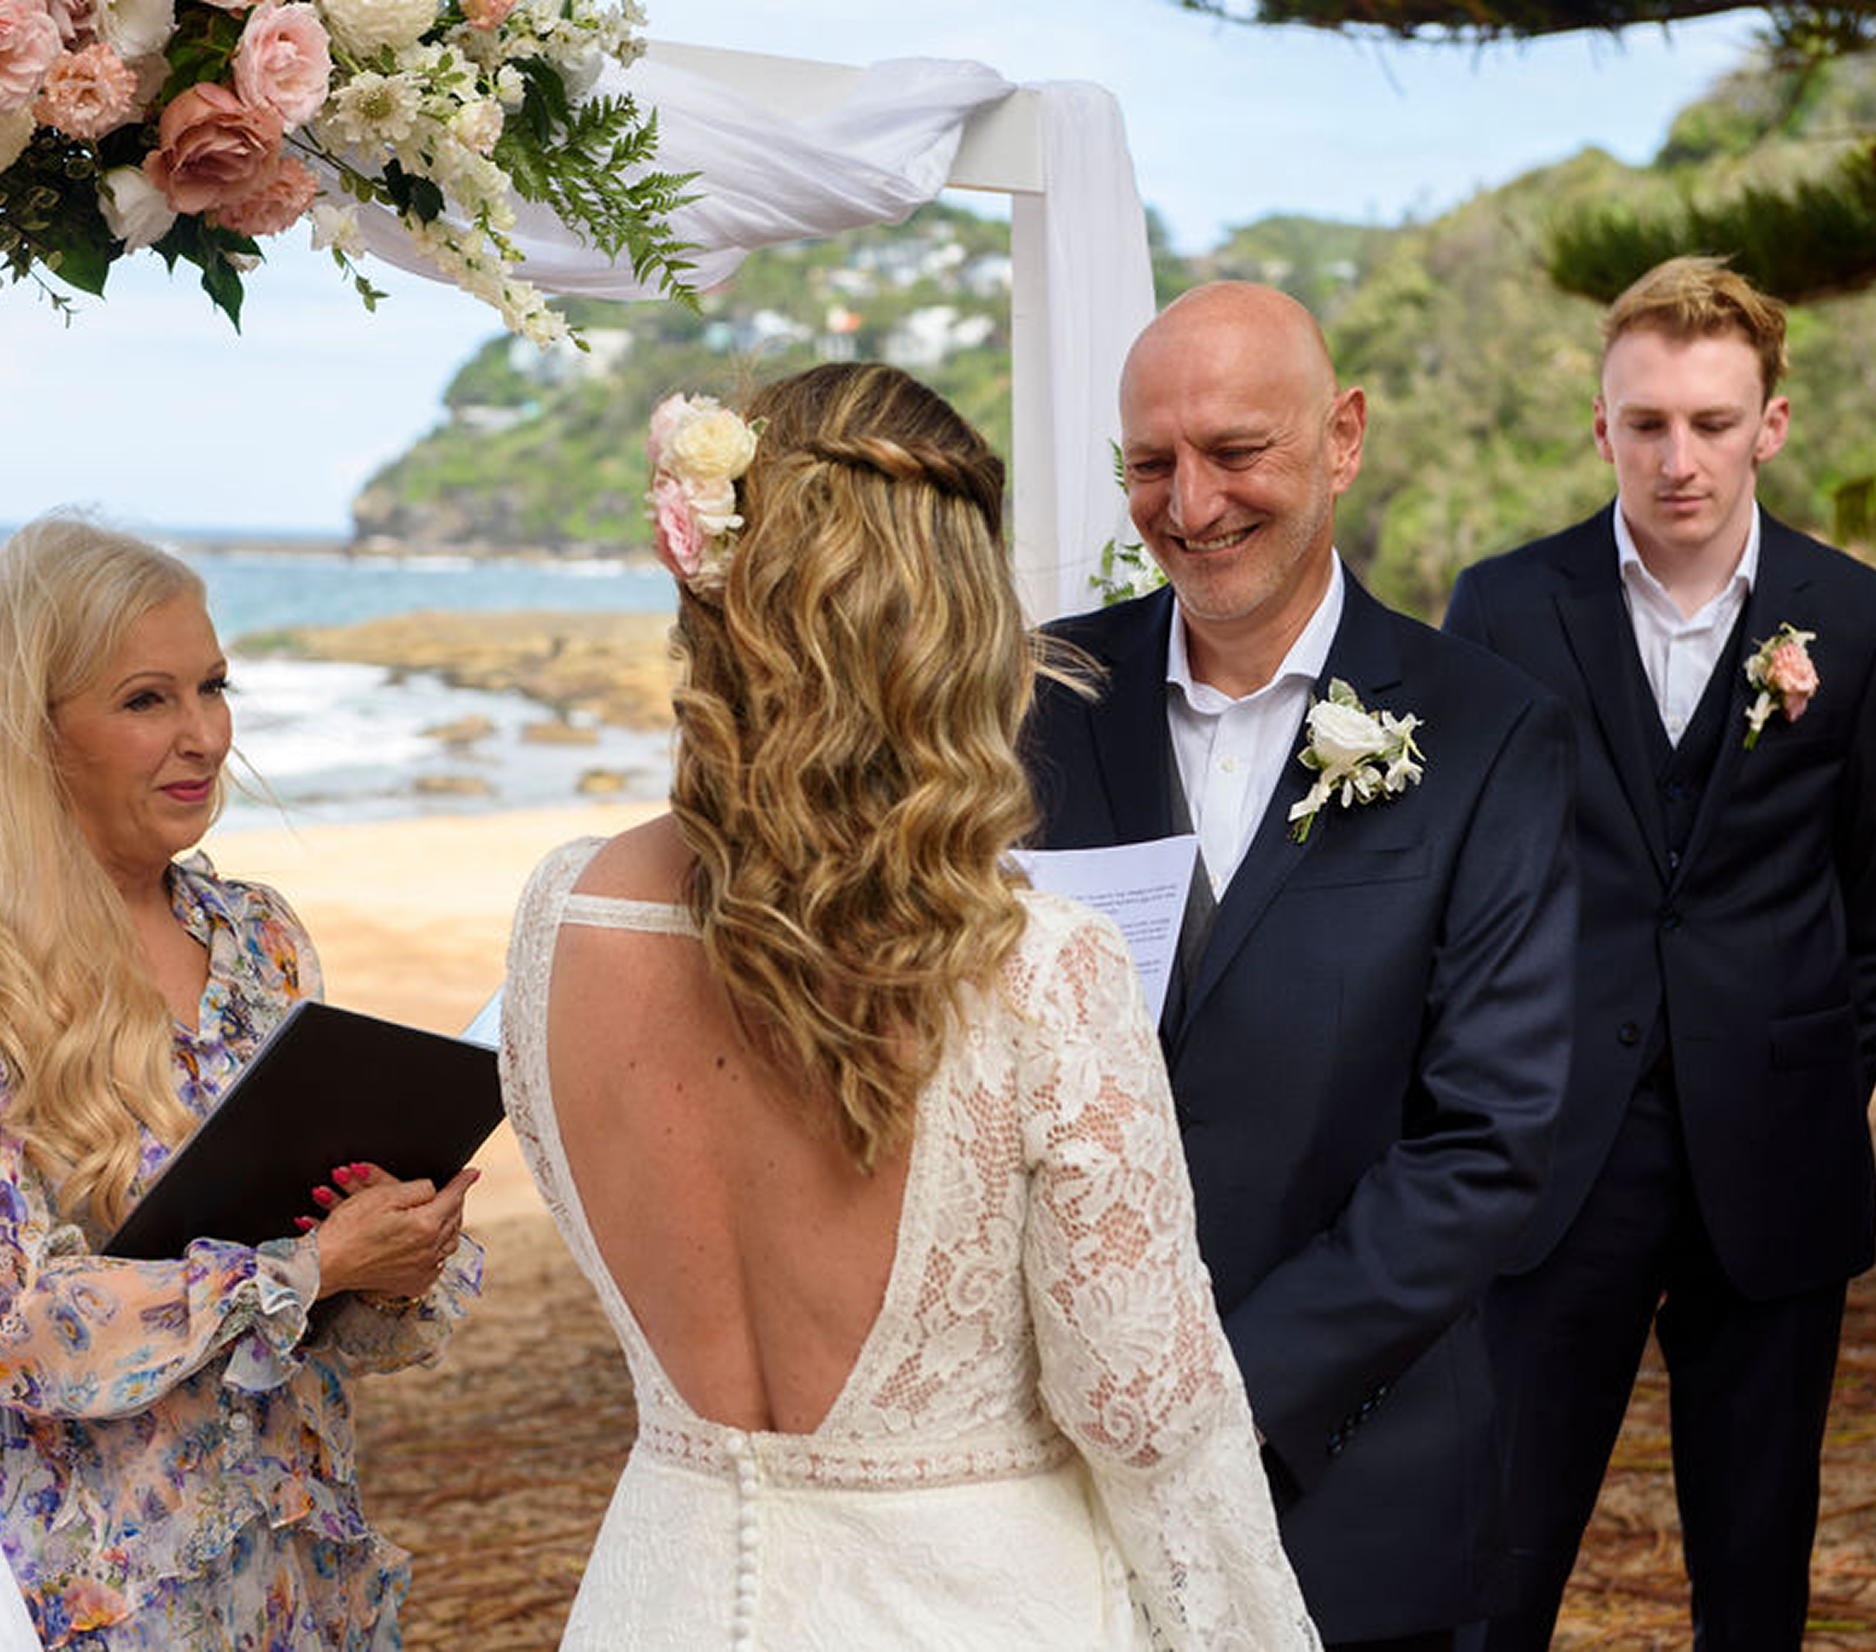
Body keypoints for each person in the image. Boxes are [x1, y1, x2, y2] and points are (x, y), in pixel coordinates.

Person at [498, 361, 1321, 1649]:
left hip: (662, 1594)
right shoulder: (1039, 965)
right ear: (955, 618)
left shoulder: (564, 917)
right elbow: (1145, 1416)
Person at [1022, 282, 1577, 1651]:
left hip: (1347, 1465)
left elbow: (1487, 1141)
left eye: (1236, 451)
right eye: (1152, 463)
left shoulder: (1489, 732)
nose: (1192, 504)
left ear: (1342, 437)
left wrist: (1224, 1402)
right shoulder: (1035, 701)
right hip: (1052, 1478)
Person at [1444, 256, 1876, 1650]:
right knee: (1498, 1554)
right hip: (1560, 1145)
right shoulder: (1505, 607)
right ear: (1600, 426)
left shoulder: (1856, 617)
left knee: (1757, 1565)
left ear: (1773, 424)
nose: (1676, 457)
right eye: (1646, 424)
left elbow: (1870, 889)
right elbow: (1466, 889)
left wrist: (1842, 1081)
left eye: (1709, 421)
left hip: (1782, 1143)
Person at [0, 515, 481, 1649]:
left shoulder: (258, 934)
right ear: (36, 728)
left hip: (294, 1550)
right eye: (145, 699)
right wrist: (303, 1266)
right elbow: (17, 1327)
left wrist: (392, 1247)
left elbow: (332, 1292)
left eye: (213, 686)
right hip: (98, 1588)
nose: (203, 735)